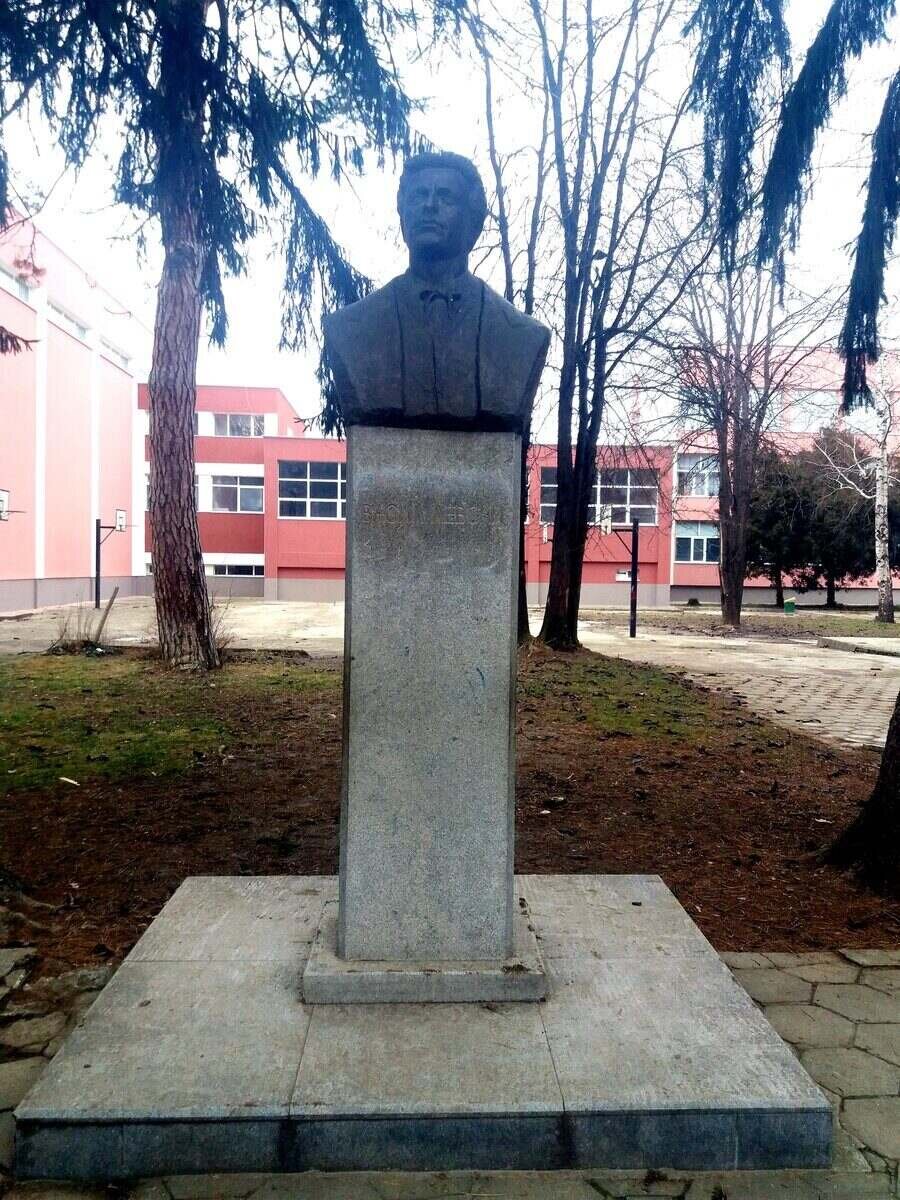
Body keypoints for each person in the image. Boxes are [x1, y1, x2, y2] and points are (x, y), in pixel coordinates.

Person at [323, 151, 550, 433]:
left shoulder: (520, 336)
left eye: (445, 197)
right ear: (402, 213)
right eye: (418, 196)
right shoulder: (351, 329)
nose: (429, 205)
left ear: (474, 220)